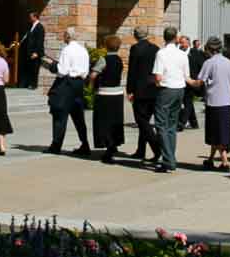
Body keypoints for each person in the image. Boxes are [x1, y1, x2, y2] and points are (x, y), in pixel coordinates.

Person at [152, 27, 195, 174]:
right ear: (176, 38)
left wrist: (158, 85)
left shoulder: (161, 53)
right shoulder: (183, 54)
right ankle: (170, 157)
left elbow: (158, 76)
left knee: (161, 124)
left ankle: (168, 159)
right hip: (179, 89)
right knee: (172, 124)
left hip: (166, 89)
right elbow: (187, 76)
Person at [46, 27, 93, 155]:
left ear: (67, 36)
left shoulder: (67, 50)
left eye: (64, 35)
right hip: (79, 84)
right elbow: (85, 69)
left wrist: (52, 66)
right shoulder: (83, 50)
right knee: (78, 117)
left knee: (59, 114)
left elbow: (62, 71)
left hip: (66, 84)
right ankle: (85, 144)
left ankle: (56, 145)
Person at [126, 28, 164, 165]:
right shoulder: (155, 48)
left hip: (140, 88)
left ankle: (156, 147)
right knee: (145, 121)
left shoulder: (135, 49)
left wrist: (129, 89)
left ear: (135, 36)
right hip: (153, 87)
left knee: (141, 120)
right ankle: (140, 150)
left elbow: (132, 70)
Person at [198, 38, 230, 171]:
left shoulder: (209, 63)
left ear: (210, 49)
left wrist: (186, 80)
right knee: (220, 132)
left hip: (214, 101)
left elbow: (200, 81)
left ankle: (225, 161)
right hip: (227, 101)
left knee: (217, 133)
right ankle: (210, 159)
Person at [92, 34, 128, 164]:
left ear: (106, 46)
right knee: (116, 120)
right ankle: (115, 143)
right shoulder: (119, 59)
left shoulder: (103, 59)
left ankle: (108, 147)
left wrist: (93, 83)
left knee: (104, 122)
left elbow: (94, 75)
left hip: (105, 93)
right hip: (117, 93)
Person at [18, 10, 48, 88]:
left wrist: (36, 52)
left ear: (35, 17)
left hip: (35, 52)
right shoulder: (31, 26)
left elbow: (39, 41)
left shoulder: (39, 27)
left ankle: (33, 85)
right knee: (29, 68)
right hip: (29, 52)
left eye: (31, 17)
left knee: (34, 69)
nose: (29, 18)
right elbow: (27, 37)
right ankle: (26, 83)